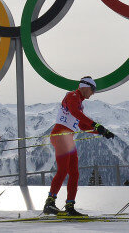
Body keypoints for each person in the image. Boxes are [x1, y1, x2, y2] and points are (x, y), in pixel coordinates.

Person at [43, 76, 115, 217]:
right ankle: (49, 203)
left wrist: (101, 131)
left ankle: (70, 205)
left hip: (68, 138)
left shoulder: (79, 103)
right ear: (85, 86)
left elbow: (81, 125)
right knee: (63, 170)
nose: (93, 93)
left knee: (74, 173)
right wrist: (95, 125)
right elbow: (75, 113)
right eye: (93, 90)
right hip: (60, 134)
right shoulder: (72, 96)